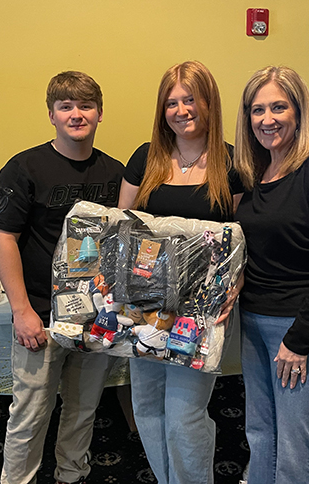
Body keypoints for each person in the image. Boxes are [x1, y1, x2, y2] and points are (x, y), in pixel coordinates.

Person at [0, 71, 124, 484]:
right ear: (51, 114)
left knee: (83, 409)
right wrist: (21, 311)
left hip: (95, 315)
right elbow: (4, 238)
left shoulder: (115, 173)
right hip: (40, 314)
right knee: (30, 413)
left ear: (100, 113)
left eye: (86, 106)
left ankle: (72, 474)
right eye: (66, 107)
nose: (76, 114)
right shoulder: (24, 167)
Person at [118, 60, 244, 484]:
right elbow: (122, 228)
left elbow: (246, 235)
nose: (181, 110)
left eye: (190, 99)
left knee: (184, 415)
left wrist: (239, 280)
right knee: (147, 407)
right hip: (147, 305)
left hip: (202, 309)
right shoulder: (145, 158)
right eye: (171, 102)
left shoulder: (232, 162)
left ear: (209, 103)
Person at [233, 66, 309, 484]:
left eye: (278, 107)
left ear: (299, 112)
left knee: (295, 447)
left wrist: (298, 340)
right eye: (258, 110)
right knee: (261, 434)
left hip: (305, 327)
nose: (267, 119)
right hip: (255, 321)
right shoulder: (256, 172)